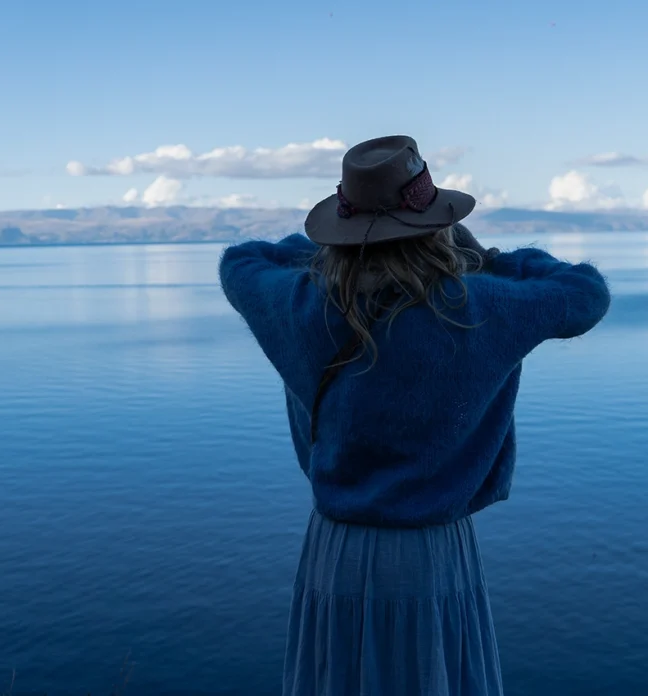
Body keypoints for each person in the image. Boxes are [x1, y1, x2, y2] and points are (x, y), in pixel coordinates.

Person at [219, 135, 611, 696]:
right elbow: (584, 292)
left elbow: (242, 261)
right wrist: (492, 260)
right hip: (432, 556)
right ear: (436, 227)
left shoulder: (301, 304)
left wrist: (335, 248)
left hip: (336, 551)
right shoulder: (477, 308)